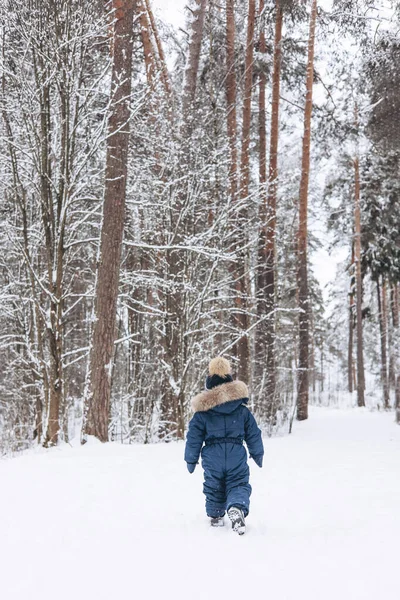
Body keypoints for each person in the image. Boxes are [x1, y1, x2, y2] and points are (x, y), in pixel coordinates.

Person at [184, 356, 264, 535]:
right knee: (238, 483)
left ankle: (215, 514)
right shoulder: (241, 409)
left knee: (214, 484)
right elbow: (253, 433)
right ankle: (236, 507)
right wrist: (257, 453)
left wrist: (191, 459)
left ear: (209, 381)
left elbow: (194, 437)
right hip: (236, 452)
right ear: (230, 380)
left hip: (212, 455)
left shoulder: (203, 412)